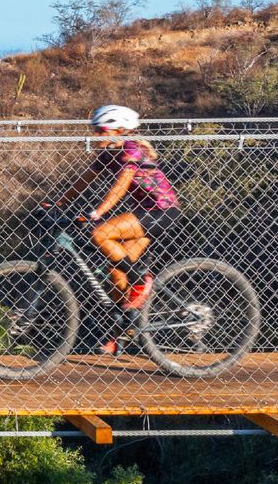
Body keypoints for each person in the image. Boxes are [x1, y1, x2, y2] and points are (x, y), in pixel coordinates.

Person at [44, 104, 179, 325]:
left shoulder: (132, 149)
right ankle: (121, 330)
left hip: (161, 211)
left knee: (100, 234)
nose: (96, 135)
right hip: (143, 213)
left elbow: (120, 186)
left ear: (119, 131)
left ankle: (141, 282)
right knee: (117, 274)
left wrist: (98, 212)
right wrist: (57, 203)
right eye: (95, 130)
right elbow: (84, 180)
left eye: (101, 130)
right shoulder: (108, 153)